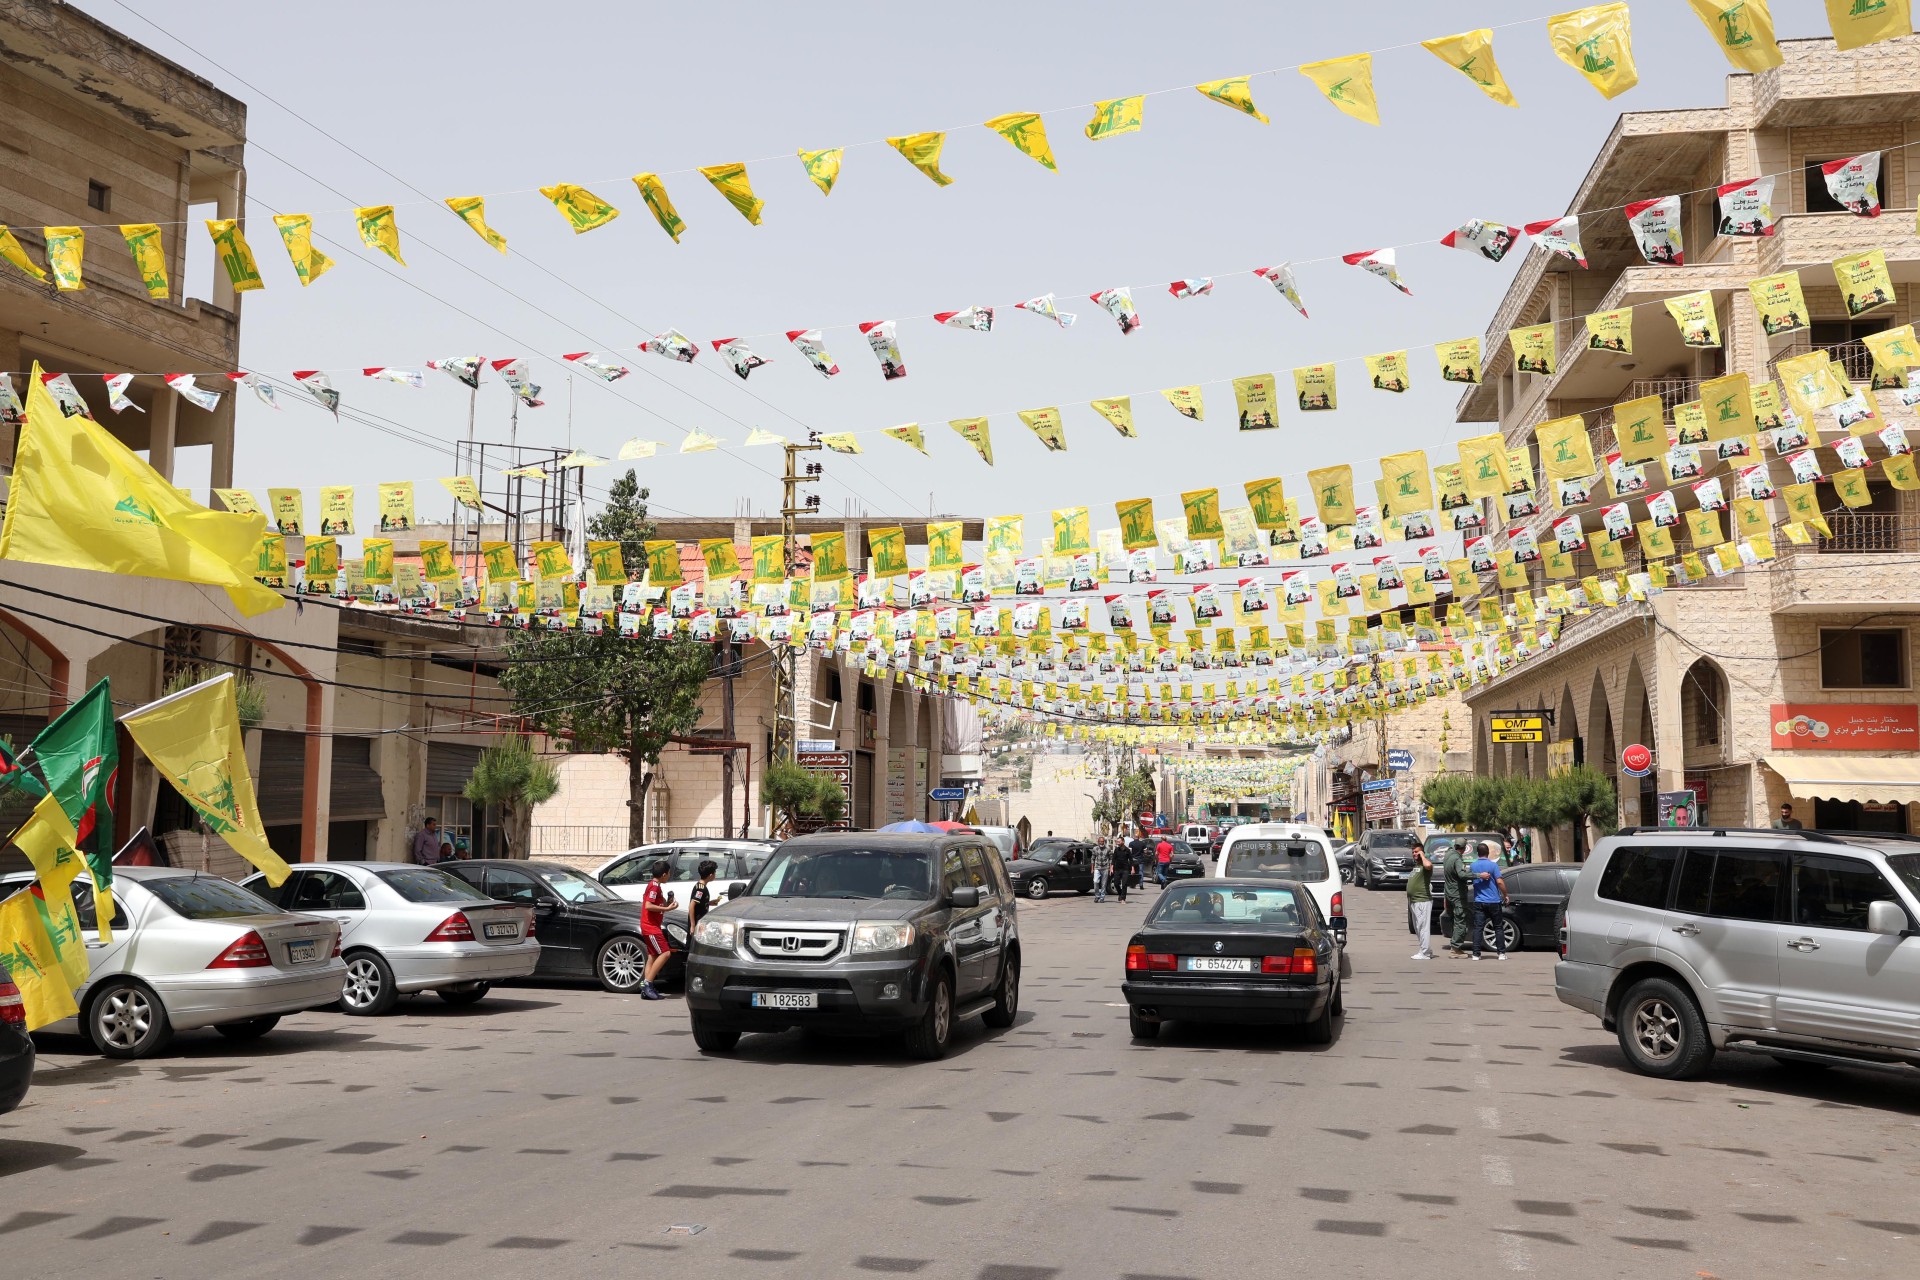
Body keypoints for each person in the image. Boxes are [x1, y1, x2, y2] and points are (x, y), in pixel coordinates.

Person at [639, 860, 676, 1000]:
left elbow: (655, 905)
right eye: (669, 874)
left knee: (653, 956)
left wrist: (667, 903)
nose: (669, 876)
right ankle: (648, 984)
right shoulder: (654, 887)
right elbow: (648, 905)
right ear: (664, 874)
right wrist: (667, 908)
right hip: (650, 927)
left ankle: (646, 986)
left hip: (649, 925)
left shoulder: (655, 886)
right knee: (665, 953)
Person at [1470, 840, 1511, 961]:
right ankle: (1501, 953)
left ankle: (1476, 954)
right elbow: (1499, 881)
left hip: (1479, 900)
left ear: (1478, 853)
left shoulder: (1473, 866)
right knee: (1498, 927)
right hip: (1494, 901)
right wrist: (1505, 894)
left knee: (1478, 927)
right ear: (1488, 853)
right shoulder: (1493, 866)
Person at [1442, 838, 1474, 954]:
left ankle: (1454, 944)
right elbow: (1462, 874)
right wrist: (1479, 875)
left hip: (1449, 893)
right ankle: (1456, 948)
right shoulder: (1457, 859)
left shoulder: (1448, 855)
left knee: (1455, 920)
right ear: (1464, 849)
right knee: (1461, 921)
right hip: (1457, 895)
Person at [1407, 840, 1434, 961]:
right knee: (1418, 927)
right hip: (1414, 900)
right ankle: (1425, 949)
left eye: (1416, 852)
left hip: (1422, 900)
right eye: (1413, 852)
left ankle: (1425, 953)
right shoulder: (1417, 866)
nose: (1414, 854)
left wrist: (1422, 855)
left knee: (1423, 927)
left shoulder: (1425, 864)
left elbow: (1429, 865)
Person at [689, 859, 717, 932]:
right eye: (715, 872)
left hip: (701, 921)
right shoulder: (701, 889)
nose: (715, 874)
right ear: (710, 875)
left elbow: (699, 903)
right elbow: (692, 905)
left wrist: (709, 903)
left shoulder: (701, 886)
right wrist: (692, 925)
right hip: (698, 922)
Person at [1091, 836, 1113, 903]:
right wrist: (1092, 868)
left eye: (1103, 841)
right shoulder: (1095, 848)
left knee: (1103, 884)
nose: (1101, 843)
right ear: (1098, 842)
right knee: (1095, 881)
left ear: (1104, 842)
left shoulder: (1108, 849)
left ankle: (1102, 897)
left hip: (1105, 868)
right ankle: (1097, 895)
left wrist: (1110, 868)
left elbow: (1111, 859)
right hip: (1097, 867)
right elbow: (1093, 858)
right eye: (1100, 841)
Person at [1112, 834, 1133, 904]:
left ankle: (1123, 898)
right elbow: (1113, 859)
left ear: (1123, 842)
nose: (1118, 843)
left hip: (1125, 869)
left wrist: (1132, 868)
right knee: (1116, 884)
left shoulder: (1127, 850)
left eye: (1119, 841)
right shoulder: (1116, 850)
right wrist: (1111, 868)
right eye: (1117, 842)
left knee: (1124, 884)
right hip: (1117, 869)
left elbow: (1131, 859)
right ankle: (1120, 894)